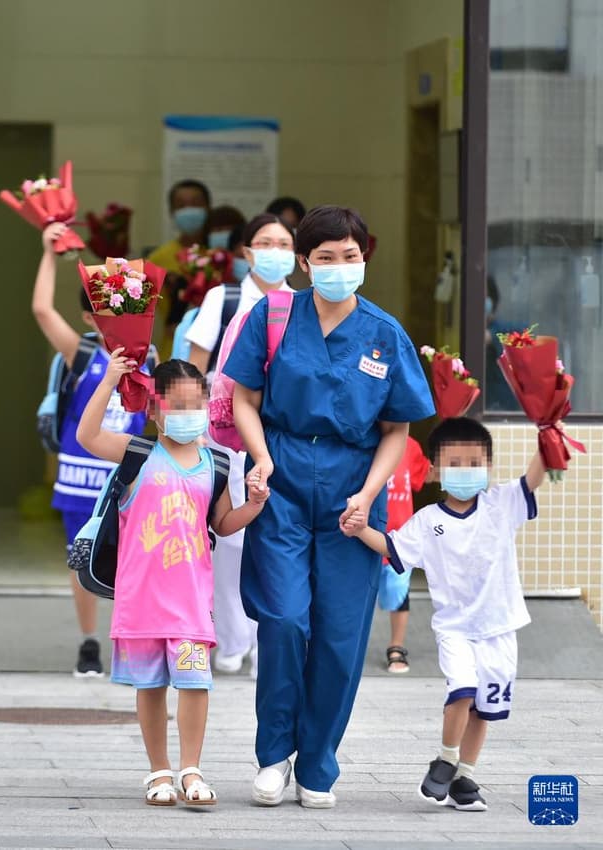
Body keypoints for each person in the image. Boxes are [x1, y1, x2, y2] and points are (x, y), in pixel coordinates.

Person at [223, 205, 435, 807]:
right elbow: (243, 398)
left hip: (353, 489)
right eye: (324, 257)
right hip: (282, 481)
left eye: (350, 256)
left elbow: (397, 429)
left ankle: (317, 763)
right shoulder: (273, 314)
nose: (339, 266)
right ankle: (274, 756)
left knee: (341, 637)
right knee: (285, 619)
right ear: (303, 263)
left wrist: (369, 497)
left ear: (364, 257)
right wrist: (261, 460)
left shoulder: (384, 332)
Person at [76, 354, 268, 807]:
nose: (188, 414)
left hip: (189, 603)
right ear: (154, 409)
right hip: (141, 602)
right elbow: (87, 436)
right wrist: (109, 381)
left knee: (195, 682)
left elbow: (221, 523)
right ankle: (159, 773)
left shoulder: (217, 463)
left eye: (195, 404)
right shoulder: (137, 453)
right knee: (151, 687)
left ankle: (191, 770)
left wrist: (255, 504)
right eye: (177, 405)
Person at [341, 416, 545, 812]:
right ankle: (446, 759)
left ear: (488, 467)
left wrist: (547, 434)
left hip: (500, 628)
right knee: (462, 690)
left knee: (484, 706)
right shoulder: (428, 521)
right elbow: (391, 547)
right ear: (434, 470)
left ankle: (464, 778)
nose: (466, 471)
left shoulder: (501, 505)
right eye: (455, 463)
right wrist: (360, 528)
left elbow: (535, 476)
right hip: (454, 628)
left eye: (475, 463)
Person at [31, 223, 149, 678]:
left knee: (138, 558)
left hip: (130, 474)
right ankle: (89, 642)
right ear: (88, 317)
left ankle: (132, 638)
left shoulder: (148, 355)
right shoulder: (80, 353)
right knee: (83, 557)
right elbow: (42, 309)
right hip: (80, 475)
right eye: (102, 309)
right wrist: (47, 252)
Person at [186, 214, 295, 676]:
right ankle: (232, 641)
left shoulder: (304, 303)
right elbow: (194, 368)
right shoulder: (226, 299)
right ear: (247, 252)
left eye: (284, 243)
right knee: (229, 538)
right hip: (225, 436)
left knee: (276, 535)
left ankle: (266, 640)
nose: (275, 251)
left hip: (283, 434)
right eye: (265, 243)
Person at [146, 179, 212, 359]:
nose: (189, 210)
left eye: (196, 204)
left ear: (208, 208)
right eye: (181, 205)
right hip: (173, 350)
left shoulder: (220, 256)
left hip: (217, 351)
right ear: (172, 212)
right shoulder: (157, 260)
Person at [382, 435, 430, 674]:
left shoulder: (410, 446)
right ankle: (349, 650)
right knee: (355, 599)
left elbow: (425, 476)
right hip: (362, 536)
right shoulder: (360, 440)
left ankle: (396, 646)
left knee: (399, 594)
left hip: (399, 539)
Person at [485, 276, 522, 411]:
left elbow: (525, 335)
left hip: (504, 408)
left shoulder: (504, 329)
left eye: (486, 296)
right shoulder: (468, 333)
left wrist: (493, 338)